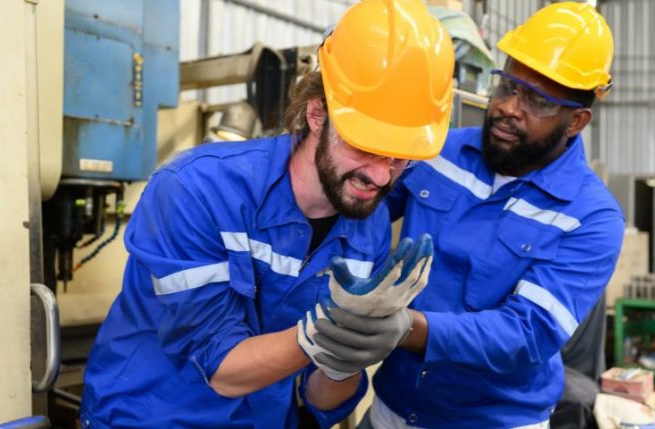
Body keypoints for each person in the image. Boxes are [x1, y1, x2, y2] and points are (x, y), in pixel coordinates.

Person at [79, 0, 454, 427]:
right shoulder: (195, 190)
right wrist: (324, 334)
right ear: (317, 114)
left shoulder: (367, 228)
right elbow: (221, 368)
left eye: (400, 158)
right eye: (366, 146)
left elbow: (322, 402)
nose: (381, 176)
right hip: (150, 415)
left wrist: (350, 354)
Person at [311, 2, 625, 428]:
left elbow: (525, 334)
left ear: (577, 121)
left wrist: (406, 328)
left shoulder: (591, 218)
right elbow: (363, 207)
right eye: (508, 85)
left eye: (538, 101)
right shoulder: (437, 151)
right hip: (391, 409)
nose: (510, 107)